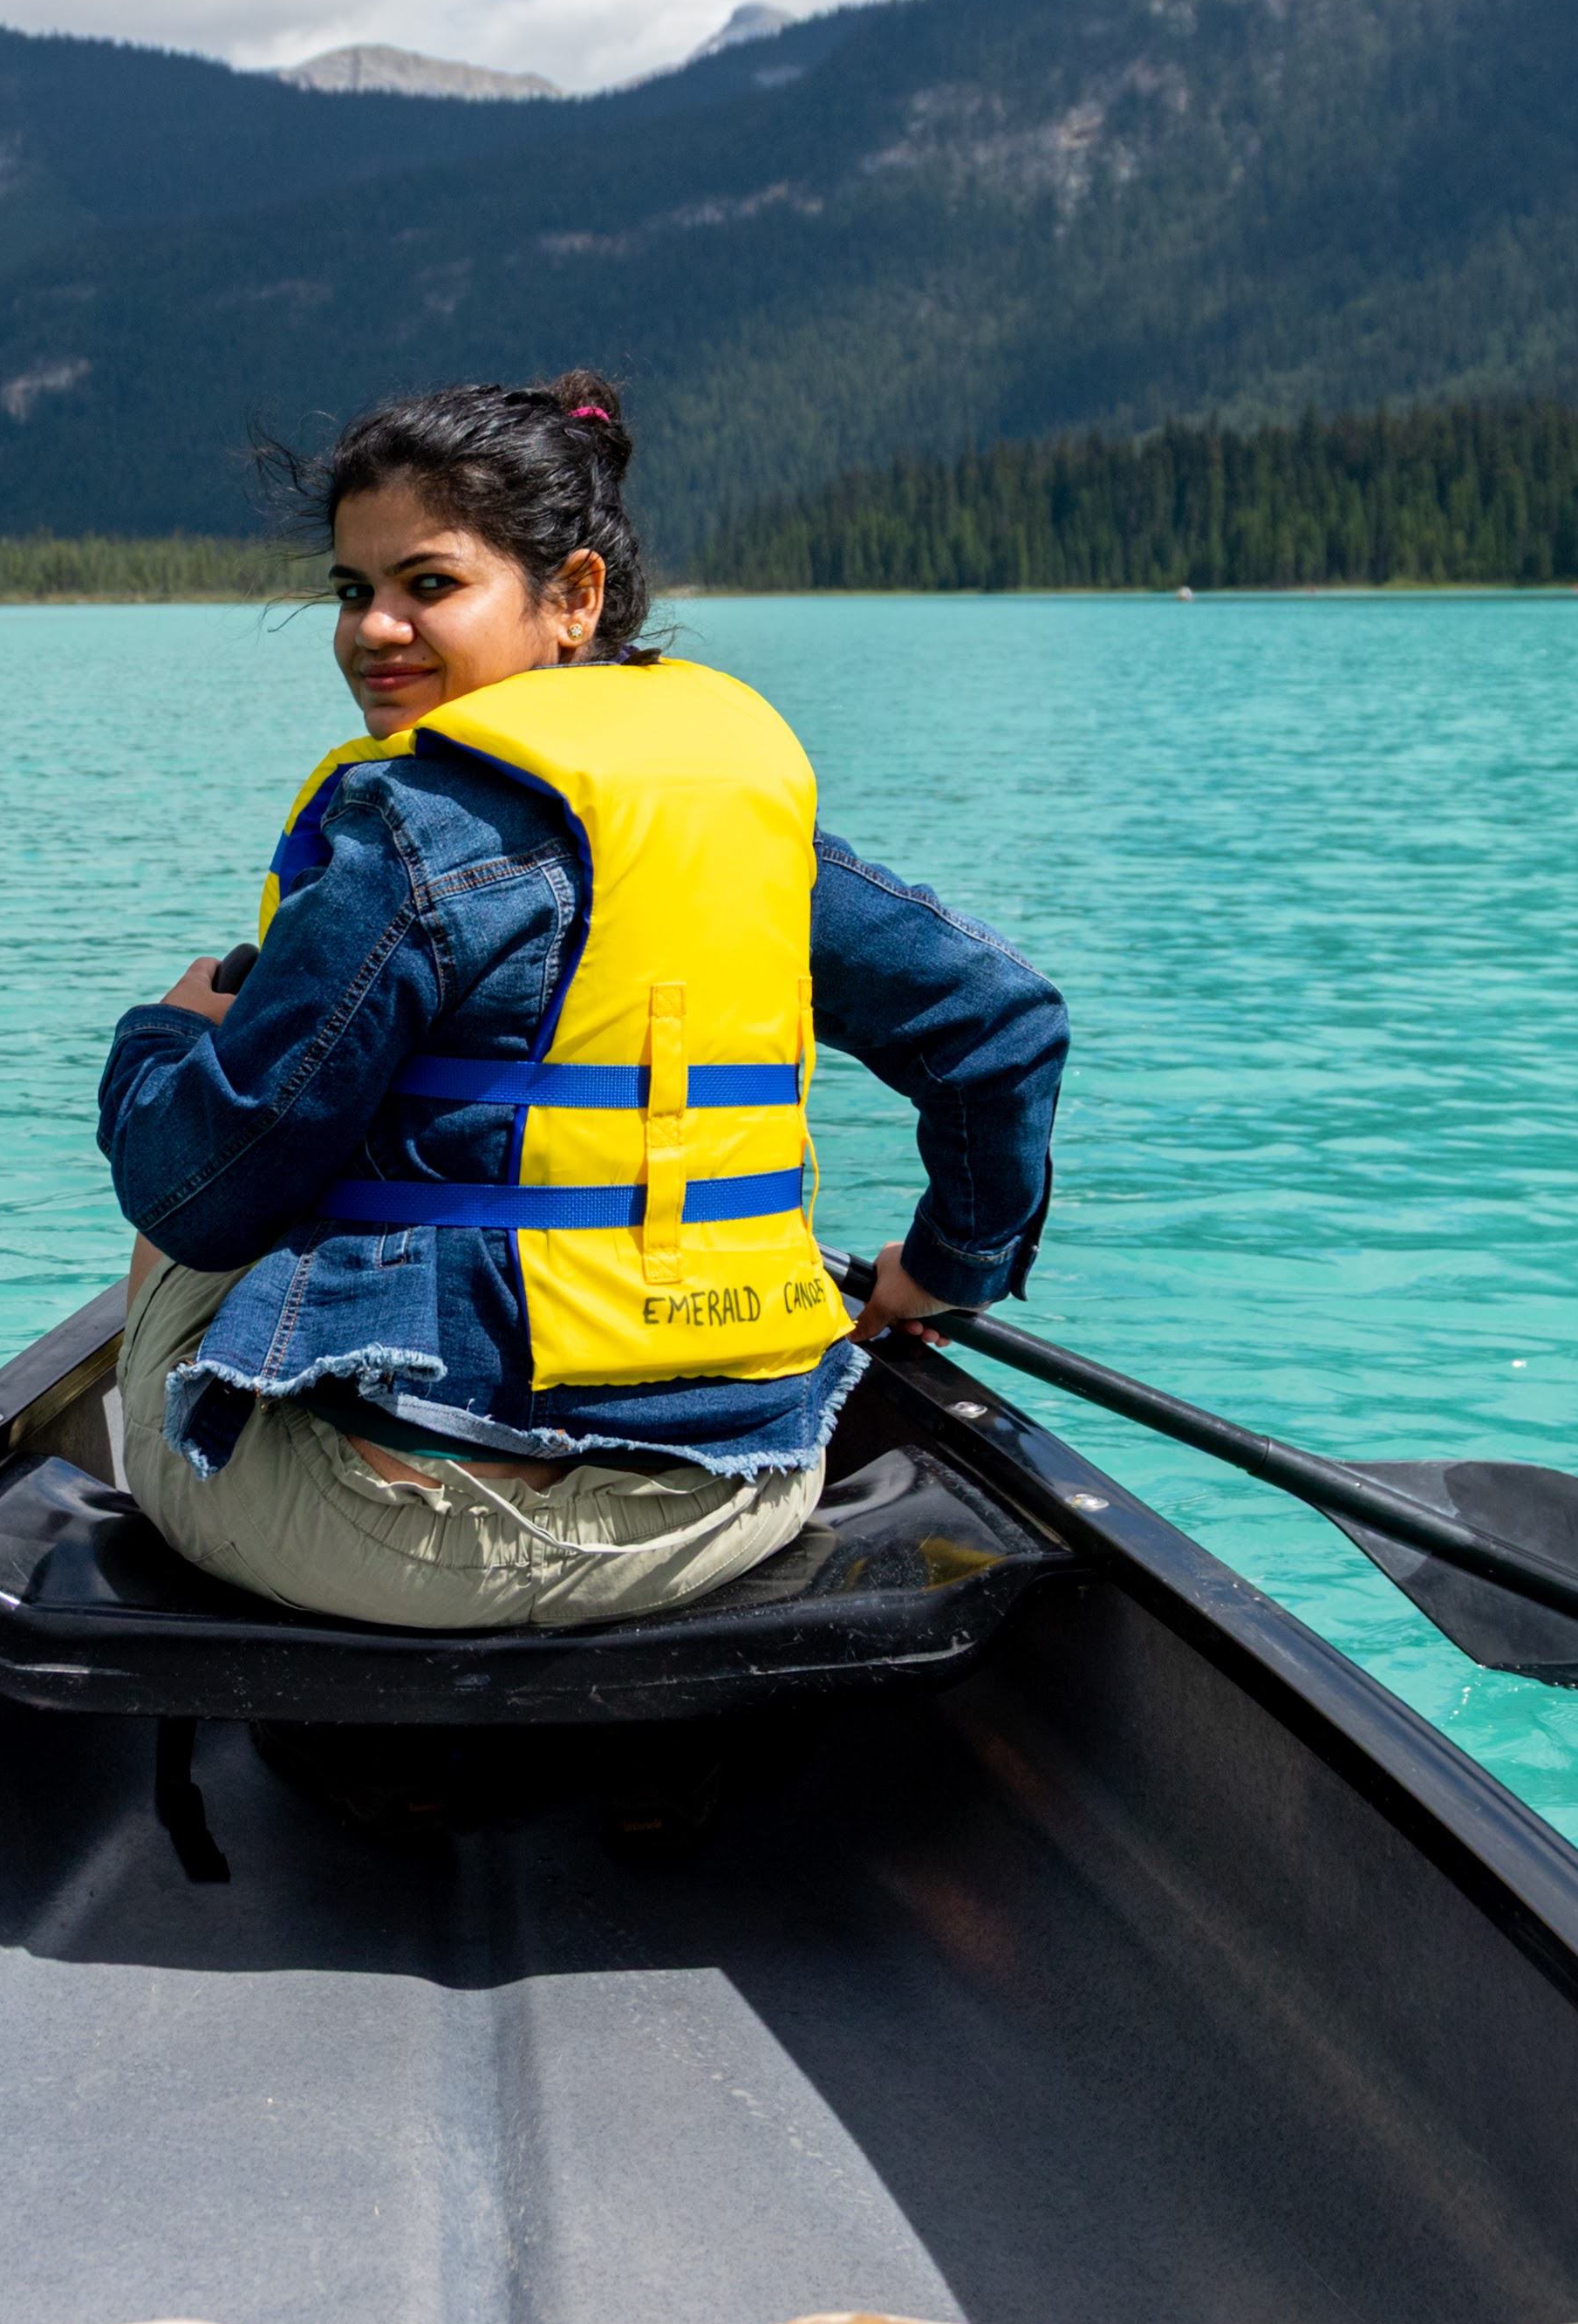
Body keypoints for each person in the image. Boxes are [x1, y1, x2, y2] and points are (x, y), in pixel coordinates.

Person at [97, 371, 1066, 1632]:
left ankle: (364, 1744)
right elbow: (1002, 1026)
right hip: (745, 1494)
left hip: (426, 1547)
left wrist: (167, 1042)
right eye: (353, 590)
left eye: (427, 585)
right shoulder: (738, 820)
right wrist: (943, 1272)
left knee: (175, 1229)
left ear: (573, 599)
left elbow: (205, 1192)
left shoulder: (411, 830)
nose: (372, 629)